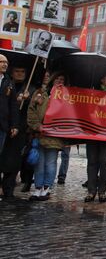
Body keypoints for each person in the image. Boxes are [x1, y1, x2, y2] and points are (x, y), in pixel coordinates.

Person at [26, 72, 67, 201]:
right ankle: (38, 187)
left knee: (50, 163)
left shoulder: (67, 97)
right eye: (57, 79)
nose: (59, 81)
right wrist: (37, 126)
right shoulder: (40, 94)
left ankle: (46, 187)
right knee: (39, 162)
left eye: (62, 79)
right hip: (40, 134)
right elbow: (31, 111)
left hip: (54, 136)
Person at [85, 73, 106, 203]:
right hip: (92, 132)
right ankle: (91, 191)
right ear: (102, 79)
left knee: (104, 162)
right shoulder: (93, 93)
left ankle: (102, 191)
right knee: (92, 162)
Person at [0, 63, 26, 199]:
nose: (20, 74)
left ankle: (8, 188)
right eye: (17, 71)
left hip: (17, 129)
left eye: (22, 71)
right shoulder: (7, 83)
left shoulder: (29, 87)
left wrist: (28, 100)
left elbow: (16, 108)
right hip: (5, 126)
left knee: (14, 161)